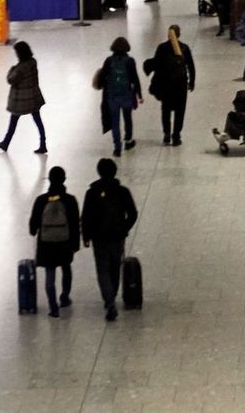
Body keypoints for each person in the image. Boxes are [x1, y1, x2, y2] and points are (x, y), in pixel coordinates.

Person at [80, 158, 137, 322]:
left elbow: (86, 216)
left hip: (99, 238)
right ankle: (112, 295)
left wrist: (86, 236)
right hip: (117, 237)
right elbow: (132, 213)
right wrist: (124, 228)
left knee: (102, 269)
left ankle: (109, 301)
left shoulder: (92, 192)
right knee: (115, 267)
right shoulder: (122, 191)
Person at [28, 167, 80, 318]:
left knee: (49, 273)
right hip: (65, 242)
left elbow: (33, 225)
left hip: (47, 243)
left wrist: (34, 231)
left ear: (49, 179)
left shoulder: (41, 200)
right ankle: (64, 297)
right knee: (66, 269)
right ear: (64, 179)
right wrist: (75, 243)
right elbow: (75, 224)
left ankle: (53, 307)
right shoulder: (70, 200)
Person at [144, 26, 195, 146]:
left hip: (166, 84)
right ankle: (176, 136)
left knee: (166, 110)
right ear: (179, 34)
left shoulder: (162, 48)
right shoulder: (184, 48)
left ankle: (166, 133)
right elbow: (191, 66)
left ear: (168, 34)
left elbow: (156, 64)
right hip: (181, 84)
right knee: (180, 111)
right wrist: (192, 82)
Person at [0, 41, 47, 153]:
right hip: (33, 97)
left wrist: (12, 69)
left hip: (21, 100)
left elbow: (10, 79)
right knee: (38, 121)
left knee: (13, 122)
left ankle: (5, 143)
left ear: (20, 53)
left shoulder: (20, 68)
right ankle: (43, 144)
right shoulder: (33, 62)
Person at [97, 37, 142, 155]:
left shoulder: (109, 60)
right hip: (126, 95)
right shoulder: (130, 61)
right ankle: (128, 141)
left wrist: (101, 85)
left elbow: (102, 77)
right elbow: (135, 79)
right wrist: (139, 95)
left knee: (115, 122)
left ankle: (117, 148)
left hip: (112, 96)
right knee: (128, 119)